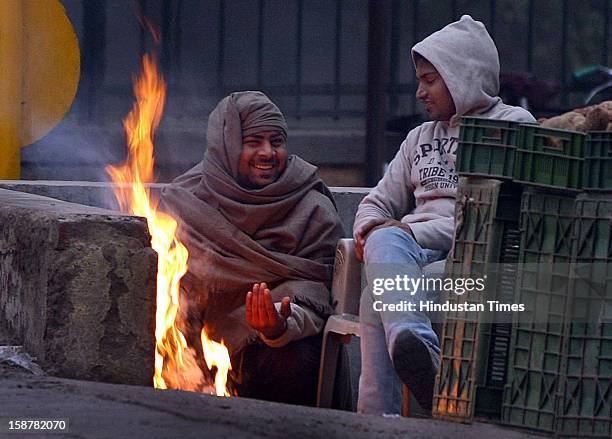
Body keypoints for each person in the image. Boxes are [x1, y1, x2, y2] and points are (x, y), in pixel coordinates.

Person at [354, 15, 536, 415]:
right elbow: (374, 205)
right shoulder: (418, 138)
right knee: (385, 239)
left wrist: (411, 231)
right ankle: (420, 357)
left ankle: (377, 418)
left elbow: (518, 210)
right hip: (413, 251)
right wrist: (372, 232)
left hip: (472, 258)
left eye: (430, 80)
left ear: (462, 76)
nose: (419, 92)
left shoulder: (513, 126)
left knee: (374, 297)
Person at [160, 91, 344, 406]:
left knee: (294, 360)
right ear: (226, 145)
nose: (267, 153)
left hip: (277, 348)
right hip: (194, 354)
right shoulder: (185, 201)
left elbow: (321, 295)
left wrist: (280, 326)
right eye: (253, 141)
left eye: (277, 142)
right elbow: (169, 294)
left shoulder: (312, 208)